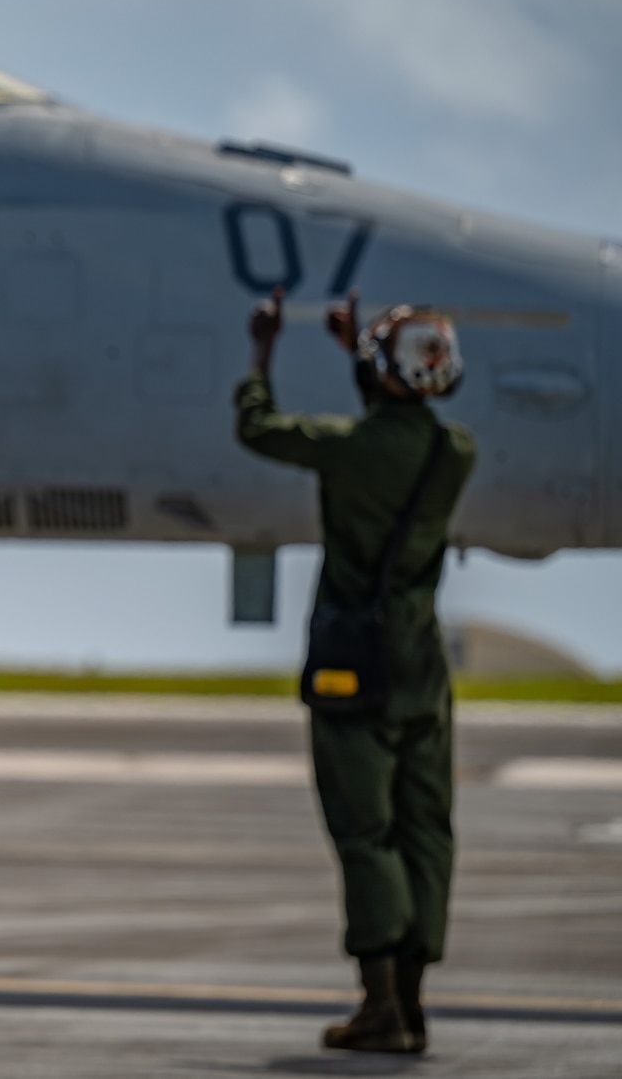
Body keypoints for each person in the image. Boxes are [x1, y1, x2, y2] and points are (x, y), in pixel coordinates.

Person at [236, 288, 476, 1056]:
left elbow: (257, 426)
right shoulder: (455, 453)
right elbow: (398, 415)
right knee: (425, 829)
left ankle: (378, 1005)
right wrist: (364, 357)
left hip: (354, 663)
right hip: (422, 666)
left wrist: (262, 352)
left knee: (365, 830)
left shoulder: (345, 448)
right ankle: (411, 1003)